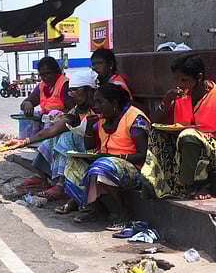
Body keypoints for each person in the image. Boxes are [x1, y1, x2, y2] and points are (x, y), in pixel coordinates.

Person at [140, 53, 216, 200]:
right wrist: (166, 102)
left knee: (189, 136)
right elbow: (154, 122)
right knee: (157, 133)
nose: (179, 84)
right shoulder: (180, 95)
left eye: (184, 80)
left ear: (199, 77)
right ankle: (154, 180)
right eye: (176, 79)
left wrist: (200, 136)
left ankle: (193, 185)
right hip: (185, 146)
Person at [62, 83, 150, 223]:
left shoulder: (134, 118)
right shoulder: (102, 118)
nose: (96, 106)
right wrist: (89, 127)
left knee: (102, 167)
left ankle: (123, 212)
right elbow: (89, 146)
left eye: (100, 102)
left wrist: (117, 157)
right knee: (74, 164)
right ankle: (98, 209)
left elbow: (144, 155)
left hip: (134, 168)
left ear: (113, 103)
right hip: (108, 163)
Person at [4, 70, 98, 199]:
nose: (72, 95)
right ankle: (41, 177)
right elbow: (52, 130)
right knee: (52, 139)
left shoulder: (99, 107)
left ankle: (61, 184)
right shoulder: (77, 109)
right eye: (70, 91)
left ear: (88, 90)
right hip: (84, 143)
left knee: (65, 138)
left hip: (96, 145)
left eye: (75, 90)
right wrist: (24, 141)